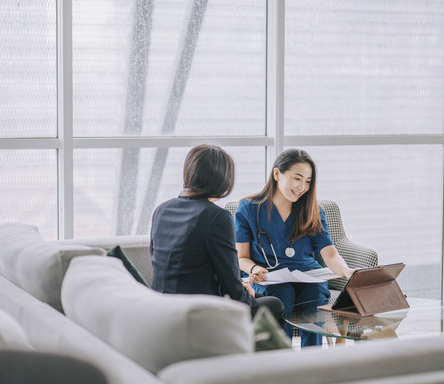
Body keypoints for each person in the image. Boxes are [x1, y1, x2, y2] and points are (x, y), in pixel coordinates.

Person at [150, 144, 285, 325]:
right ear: (223, 179)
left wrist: (245, 292)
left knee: (258, 297)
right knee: (274, 305)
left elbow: (170, 264)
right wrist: (245, 294)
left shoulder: (162, 210)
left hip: (161, 306)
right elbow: (230, 283)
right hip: (198, 311)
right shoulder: (216, 217)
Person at [234, 148, 354, 346]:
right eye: (297, 178)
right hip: (269, 277)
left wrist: (347, 271)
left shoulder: (313, 211)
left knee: (314, 294)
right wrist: (253, 269)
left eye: (308, 181)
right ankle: (281, 359)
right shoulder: (249, 208)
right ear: (276, 174)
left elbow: (330, 253)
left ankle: (311, 360)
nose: (302, 187)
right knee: (283, 294)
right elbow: (241, 257)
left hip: (308, 275)